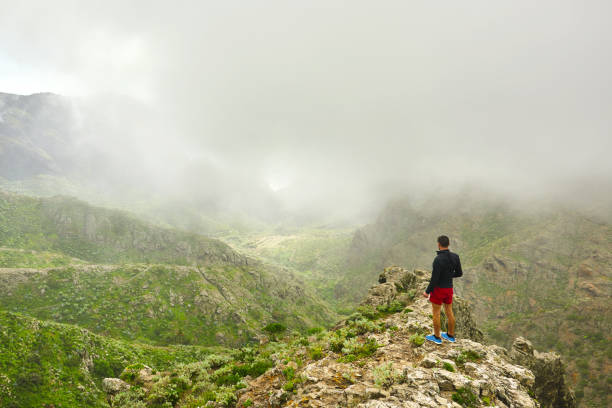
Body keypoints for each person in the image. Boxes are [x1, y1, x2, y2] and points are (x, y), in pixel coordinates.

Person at [422, 235, 463, 344]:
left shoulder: (438, 259)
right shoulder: (455, 257)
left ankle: (437, 337)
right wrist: (448, 275)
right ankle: (450, 335)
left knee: (436, 313)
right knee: (449, 311)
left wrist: (427, 291)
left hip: (439, 290)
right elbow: (459, 273)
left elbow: (434, 279)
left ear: (439, 245)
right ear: (448, 244)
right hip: (449, 289)